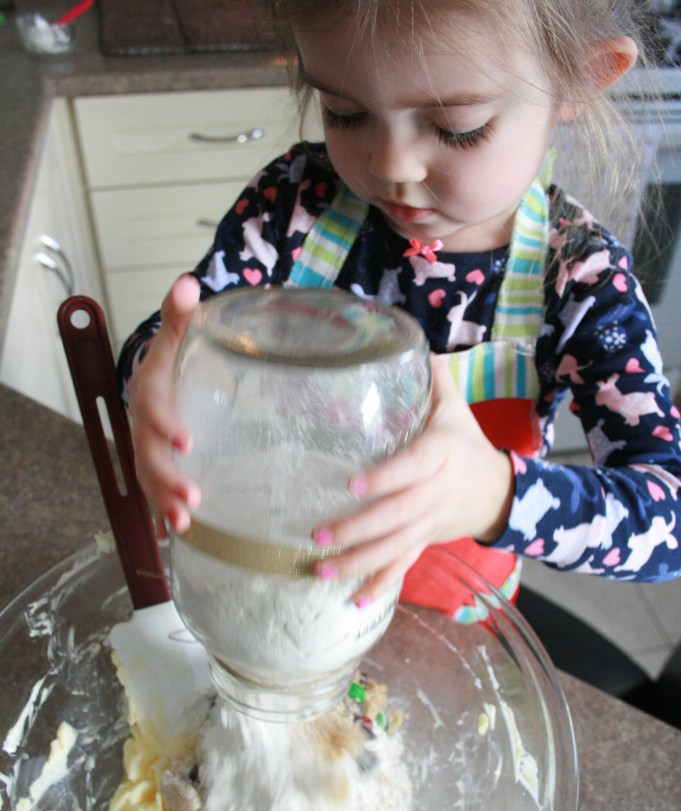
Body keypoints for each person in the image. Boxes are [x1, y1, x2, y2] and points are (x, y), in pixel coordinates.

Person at [117, 0, 681, 619]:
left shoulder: (578, 279)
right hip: (273, 595)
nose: (390, 166)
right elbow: (172, 340)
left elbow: (666, 521)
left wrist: (492, 495)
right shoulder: (297, 205)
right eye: (345, 112)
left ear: (577, 75)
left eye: (457, 126)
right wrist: (159, 376)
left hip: (444, 638)